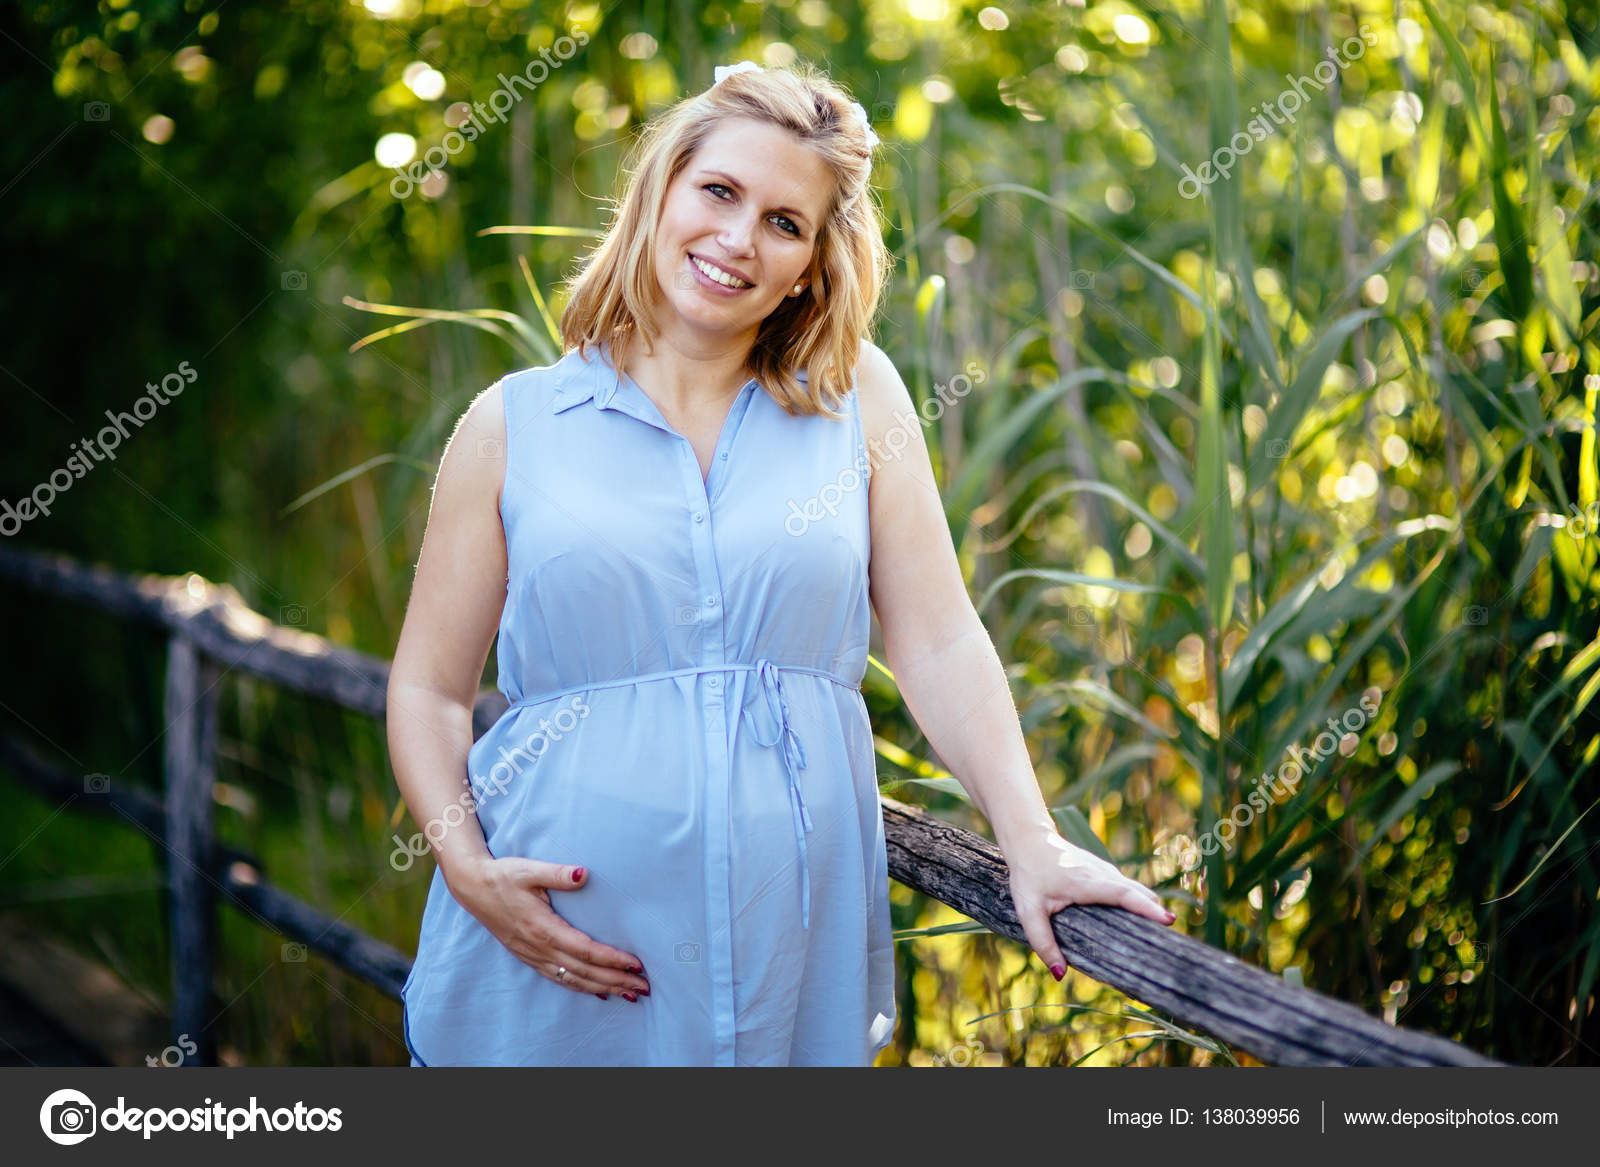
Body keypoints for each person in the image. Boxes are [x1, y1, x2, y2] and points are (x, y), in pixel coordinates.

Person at [386, 58, 1173, 1068]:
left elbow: (936, 640)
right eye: (719, 192)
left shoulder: (861, 402)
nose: (737, 240)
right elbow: (428, 690)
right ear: (660, 190)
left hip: (780, 962)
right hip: (550, 954)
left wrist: (1031, 840)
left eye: (783, 222)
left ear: (811, 262)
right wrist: (465, 868)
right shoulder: (513, 423)